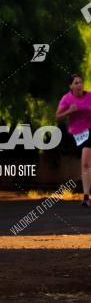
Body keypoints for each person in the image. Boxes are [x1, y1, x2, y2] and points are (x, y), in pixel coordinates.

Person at [56, 73, 91, 206]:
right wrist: (69, 111)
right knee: (86, 164)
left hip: (90, 131)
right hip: (76, 134)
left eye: (81, 82)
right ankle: (86, 196)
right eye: (76, 83)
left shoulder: (90, 96)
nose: (79, 85)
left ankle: (86, 197)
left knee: (86, 162)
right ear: (70, 86)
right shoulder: (67, 99)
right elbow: (58, 118)